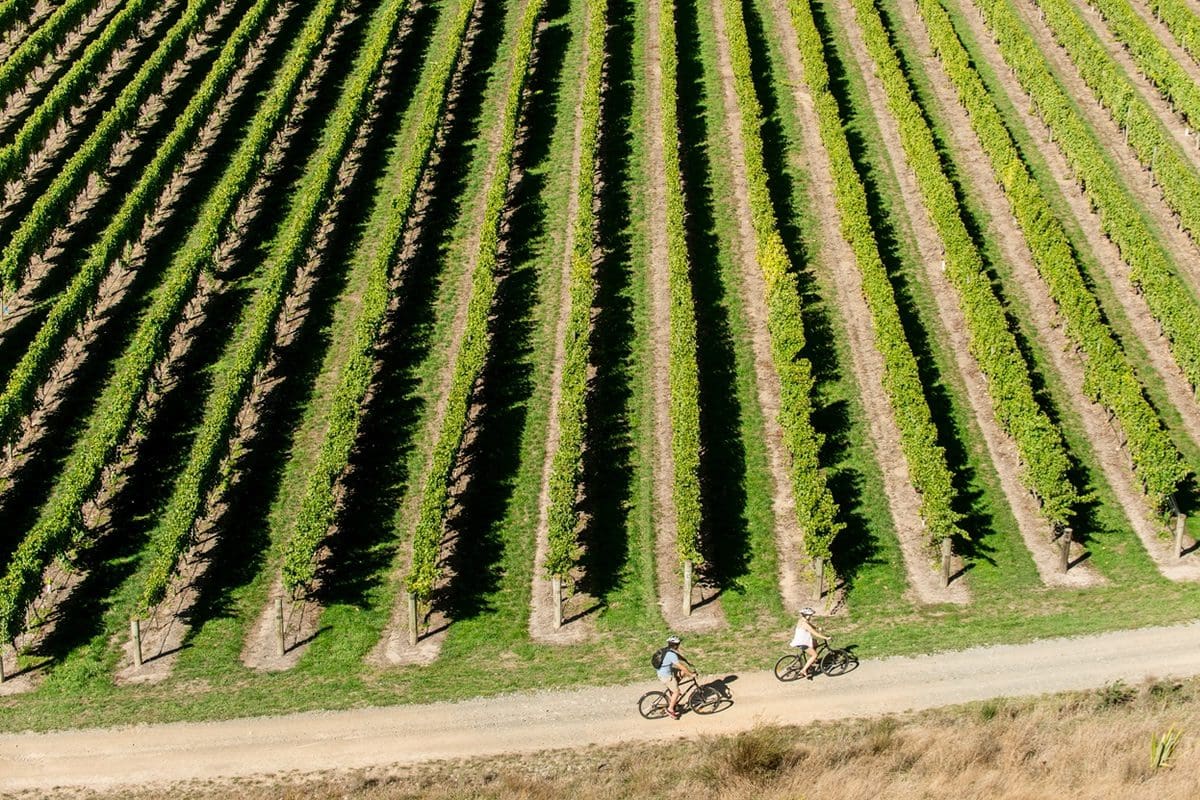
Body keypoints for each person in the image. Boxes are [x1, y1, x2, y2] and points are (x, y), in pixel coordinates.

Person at [657, 634, 696, 719]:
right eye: (678, 644)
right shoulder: (671, 655)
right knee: (677, 692)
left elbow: (678, 657)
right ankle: (670, 709)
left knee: (682, 673)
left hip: (662, 672)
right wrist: (691, 674)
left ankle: (673, 689)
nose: (679, 645)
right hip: (666, 676)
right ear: (676, 645)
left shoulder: (666, 650)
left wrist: (687, 662)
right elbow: (680, 666)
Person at [790, 607, 829, 679]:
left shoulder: (802, 620)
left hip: (800, 640)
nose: (811, 617)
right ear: (807, 615)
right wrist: (826, 638)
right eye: (810, 615)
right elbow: (815, 633)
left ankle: (813, 661)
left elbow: (810, 625)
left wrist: (817, 628)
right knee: (815, 655)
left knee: (815, 642)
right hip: (802, 642)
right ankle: (803, 671)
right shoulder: (805, 625)